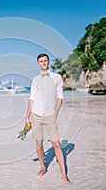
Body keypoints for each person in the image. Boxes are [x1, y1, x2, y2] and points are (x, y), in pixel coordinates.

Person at [25, 53, 72, 185]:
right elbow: (32, 98)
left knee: (56, 144)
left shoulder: (57, 77)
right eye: (41, 61)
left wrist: (55, 114)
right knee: (39, 143)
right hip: (36, 115)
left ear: (48, 62)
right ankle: (43, 167)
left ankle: (64, 174)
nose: (44, 63)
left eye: (45, 61)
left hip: (50, 115)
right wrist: (27, 116)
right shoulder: (35, 79)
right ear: (38, 63)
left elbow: (60, 98)